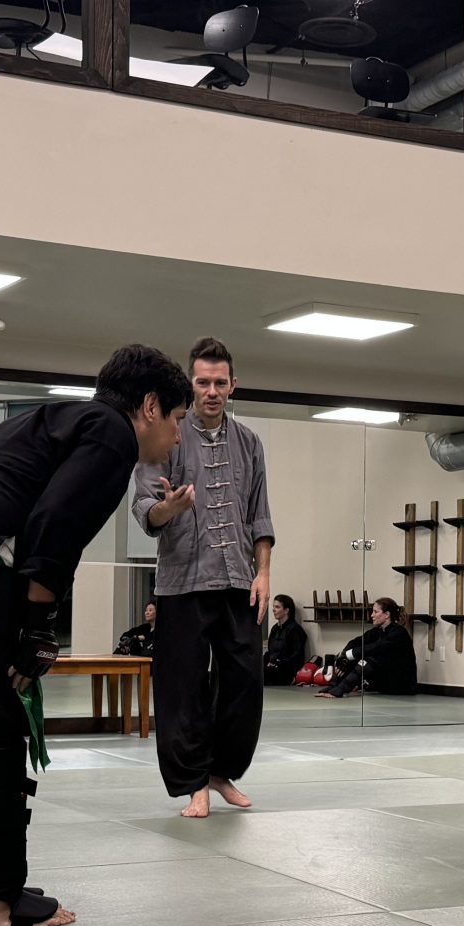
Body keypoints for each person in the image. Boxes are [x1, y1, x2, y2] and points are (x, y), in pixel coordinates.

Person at [0, 345, 190, 926]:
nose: (177, 435)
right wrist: (38, 630)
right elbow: (54, 531)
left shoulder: (53, 419)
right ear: (149, 406)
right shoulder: (111, 434)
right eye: (176, 418)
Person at [134, 336, 275, 820]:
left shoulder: (250, 443)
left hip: (239, 582)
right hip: (182, 583)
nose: (211, 391)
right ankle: (193, 783)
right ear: (191, 386)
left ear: (233, 385)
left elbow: (260, 516)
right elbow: (143, 506)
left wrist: (263, 574)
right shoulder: (169, 435)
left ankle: (221, 772)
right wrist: (166, 508)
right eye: (202, 382)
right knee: (182, 685)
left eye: (219, 382)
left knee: (244, 682)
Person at [315, 598, 416, 698]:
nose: (372, 615)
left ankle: (341, 689)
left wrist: (351, 654)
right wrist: (344, 657)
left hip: (402, 685)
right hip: (385, 684)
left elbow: (377, 647)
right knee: (354, 657)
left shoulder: (399, 633)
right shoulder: (378, 631)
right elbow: (355, 642)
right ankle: (335, 686)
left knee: (370, 659)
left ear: (387, 615)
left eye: (375, 612)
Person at [263, 592, 307, 686]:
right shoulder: (275, 629)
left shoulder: (295, 630)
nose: (273, 610)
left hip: (286, 671)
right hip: (272, 667)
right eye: (273, 607)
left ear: (286, 610)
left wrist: (279, 663)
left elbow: (297, 657)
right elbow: (270, 652)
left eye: (277, 607)